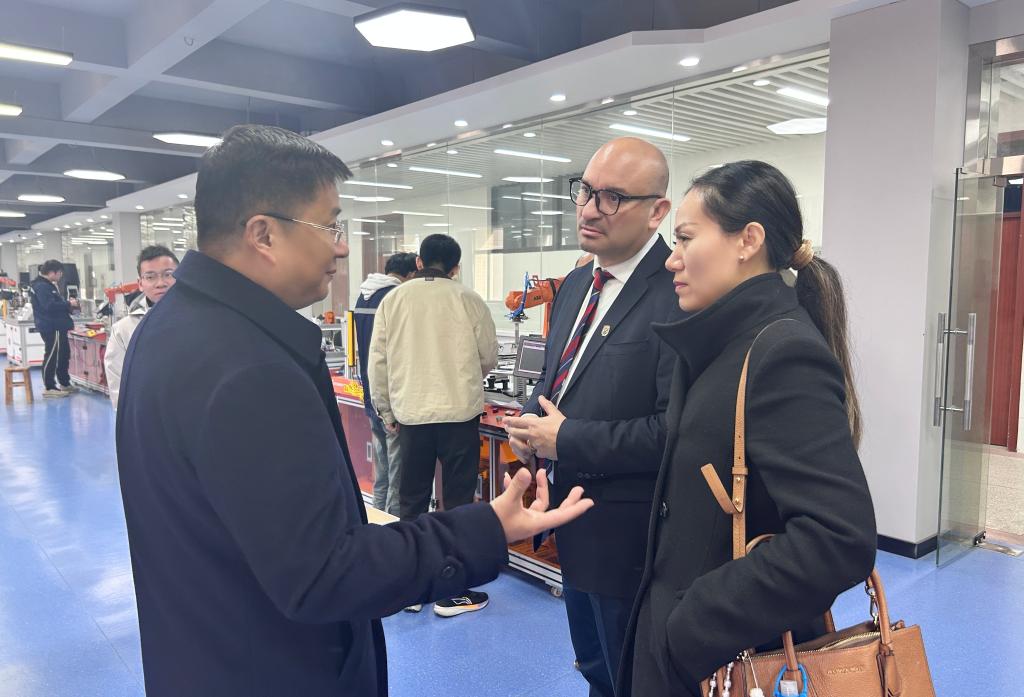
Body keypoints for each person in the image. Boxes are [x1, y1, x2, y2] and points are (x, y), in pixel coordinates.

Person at [115, 124, 593, 697]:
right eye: (330, 226)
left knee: (409, 493)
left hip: (207, 654)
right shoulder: (250, 369)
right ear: (263, 234)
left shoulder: (167, 330)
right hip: (279, 671)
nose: (340, 247)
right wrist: (487, 528)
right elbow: (324, 573)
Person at [618, 161, 877, 697]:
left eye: (686, 238)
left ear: (748, 241)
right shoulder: (721, 346)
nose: (672, 259)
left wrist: (692, 624)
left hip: (724, 658)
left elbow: (838, 539)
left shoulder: (781, 353)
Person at [503, 137, 682, 697]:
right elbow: (555, 379)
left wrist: (566, 438)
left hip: (630, 535)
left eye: (612, 198)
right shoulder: (578, 282)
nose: (588, 209)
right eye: (584, 191)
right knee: (593, 669)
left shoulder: (677, 293)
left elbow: (672, 431)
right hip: (570, 523)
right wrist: (528, 423)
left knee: (632, 677)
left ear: (657, 211)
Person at [368, 233, 500, 617]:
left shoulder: (394, 300)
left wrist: (386, 411)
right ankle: (452, 591)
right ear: (456, 267)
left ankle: (411, 588)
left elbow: (378, 362)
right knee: (458, 503)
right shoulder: (468, 299)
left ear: (420, 262)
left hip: (412, 416)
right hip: (460, 415)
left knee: (410, 501)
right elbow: (488, 357)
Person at [353, 252, 417, 516]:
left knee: (381, 473)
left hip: (372, 395)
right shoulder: (395, 297)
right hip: (392, 397)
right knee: (397, 476)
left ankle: (377, 518)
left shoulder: (364, 296)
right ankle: (392, 526)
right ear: (410, 274)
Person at [104, 245, 179, 409]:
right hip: (147, 415)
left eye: (168, 274)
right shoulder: (124, 330)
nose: (160, 283)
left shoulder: (200, 320)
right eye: (150, 277)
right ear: (140, 283)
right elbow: (118, 383)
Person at [29, 259, 79, 398]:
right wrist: (68, 303)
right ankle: (49, 387)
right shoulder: (41, 286)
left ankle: (64, 382)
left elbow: (54, 303)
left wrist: (67, 305)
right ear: (52, 272)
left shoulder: (48, 285)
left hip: (58, 326)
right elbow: (49, 306)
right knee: (52, 355)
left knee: (63, 354)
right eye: (60, 273)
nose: (61, 276)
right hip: (52, 326)